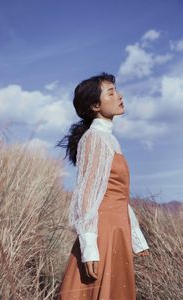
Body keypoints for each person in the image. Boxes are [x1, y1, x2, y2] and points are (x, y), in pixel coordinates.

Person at [55, 72, 150, 299]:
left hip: (117, 229)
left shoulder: (109, 139)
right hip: (104, 232)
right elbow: (86, 194)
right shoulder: (94, 139)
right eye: (111, 92)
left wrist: (136, 236)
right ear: (95, 105)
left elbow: (118, 194)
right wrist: (89, 248)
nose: (119, 96)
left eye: (116, 91)